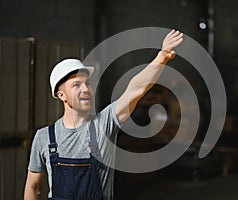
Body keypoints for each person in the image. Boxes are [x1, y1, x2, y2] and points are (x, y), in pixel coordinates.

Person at [24, 29, 183, 200]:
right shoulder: (44, 138)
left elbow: (135, 89)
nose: (86, 89)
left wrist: (162, 57)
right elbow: (33, 187)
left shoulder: (104, 124)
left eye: (88, 83)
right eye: (77, 85)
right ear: (61, 95)